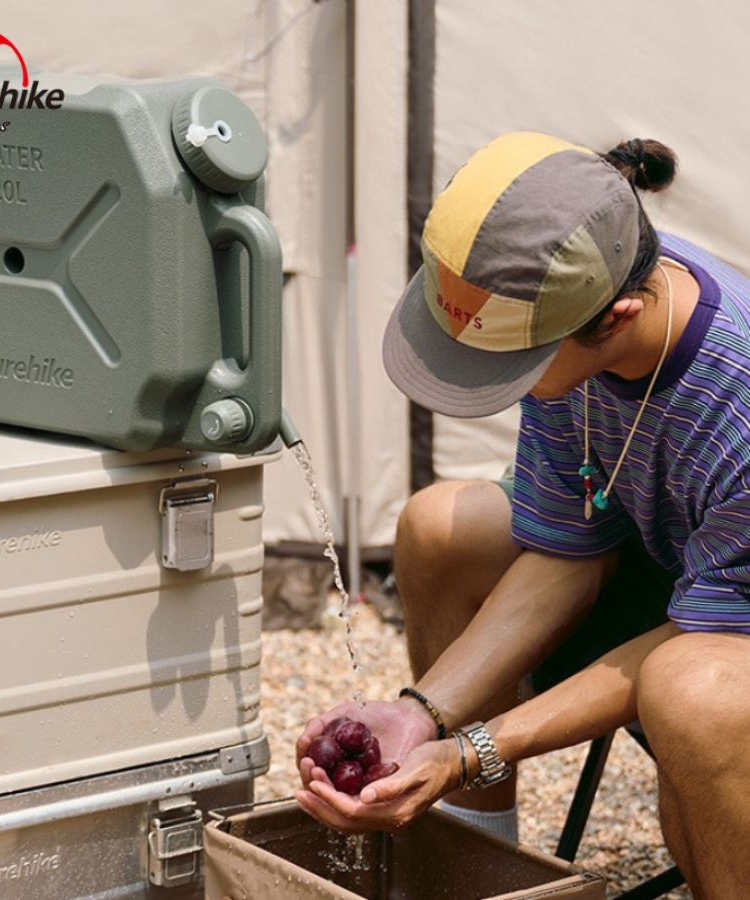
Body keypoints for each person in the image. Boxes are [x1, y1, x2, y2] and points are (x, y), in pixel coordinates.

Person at [295, 131, 750, 900]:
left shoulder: (735, 402)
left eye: (513, 366)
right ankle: (476, 875)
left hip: (720, 646)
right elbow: (570, 549)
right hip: (680, 590)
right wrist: (421, 715)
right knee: (444, 527)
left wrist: (469, 751)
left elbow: (697, 644)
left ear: (618, 317)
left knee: (688, 693)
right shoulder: (571, 298)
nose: (495, 380)